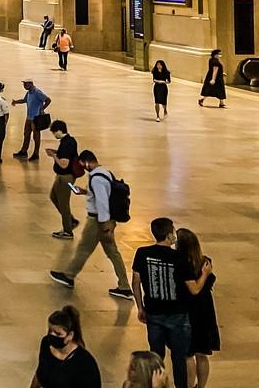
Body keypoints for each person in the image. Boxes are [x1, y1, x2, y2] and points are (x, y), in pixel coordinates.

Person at [49, 150, 133, 299]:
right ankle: (125, 286)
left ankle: (69, 276)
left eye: (82, 164)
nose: (82, 168)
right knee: (113, 252)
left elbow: (102, 202)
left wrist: (104, 224)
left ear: (87, 162)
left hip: (98, 222)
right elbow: (102, 194)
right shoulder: (104, 172)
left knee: (84, 249)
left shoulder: (96, 178)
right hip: (104, 220)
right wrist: (85, 192)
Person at [131, 218, 198, 388]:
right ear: (169, 235)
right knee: (179, 359)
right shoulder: (180, 258)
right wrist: (205, 274)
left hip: (153, 313)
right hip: (178, 315)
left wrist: (140, 307)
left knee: (156, 358)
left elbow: (136, 283)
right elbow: (194, 289)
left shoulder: (142, 253)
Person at [175, 228, 218, 388]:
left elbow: (194, 290)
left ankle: (189, 385)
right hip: (205, 312)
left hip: (188, 311)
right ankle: (201, 386)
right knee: (202, 354)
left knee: (188, 354)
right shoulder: (205, 262)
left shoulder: (179, 263)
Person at [29, 306, 101, 388]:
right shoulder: (46, 343)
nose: (52, 335)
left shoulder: (85, 363)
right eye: (50, 330)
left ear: (70, 335)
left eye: (58, 334)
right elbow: (39, 373)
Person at [46, 120, 82, 239]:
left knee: (63, 203)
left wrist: (53, 155)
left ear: (60, 131)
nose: (54, 135)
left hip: (65, 178)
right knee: (53, 197)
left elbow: (63, 164)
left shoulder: (66, 143)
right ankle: (70, 220)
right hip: (62, 177)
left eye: (54, 132)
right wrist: (56, 152)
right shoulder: (69, 141)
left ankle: (68, 230)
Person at [13, 79, 52, 160]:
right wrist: (16, 102)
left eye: (26, 84)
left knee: (36, 136)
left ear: (31, 84)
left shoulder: (37, 92)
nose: (24, 86)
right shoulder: (29, 93)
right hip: (29, 118)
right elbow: (24, 100)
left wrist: (42, 109)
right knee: (26, 134)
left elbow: (48, 100)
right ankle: (24, 151)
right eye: (24, 84)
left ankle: (36, 154)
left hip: (36, 118)